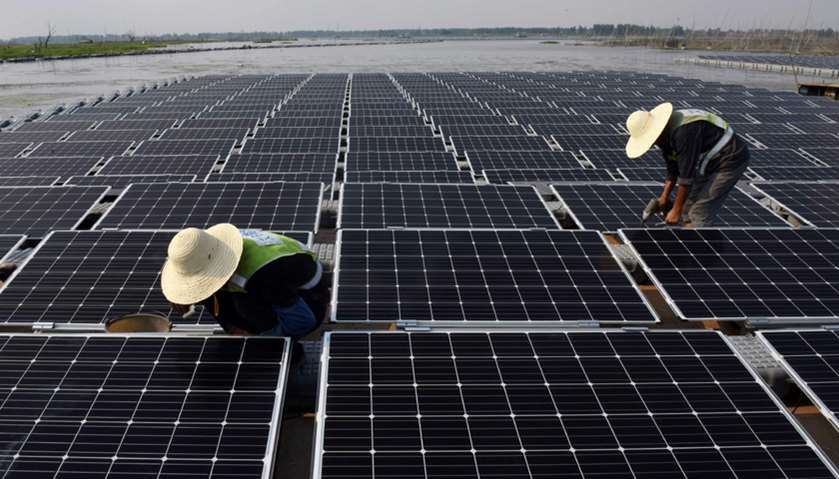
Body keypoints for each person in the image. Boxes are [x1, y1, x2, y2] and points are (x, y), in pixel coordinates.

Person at [160, 224, 330, 339]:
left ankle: (289, 354)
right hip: (282, 276)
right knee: (222, 299)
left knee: (244, 308)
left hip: (310, 298)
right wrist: (187, 295)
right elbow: (206, 278)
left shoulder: (261, 277)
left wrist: (256, 339)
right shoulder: (212, 247)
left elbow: (302, 321)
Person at [625, 102, 750, 227]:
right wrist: (663, 197)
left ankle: (698, 242)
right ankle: (685, 237)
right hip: (710, 160)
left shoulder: (683, 133)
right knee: (686, 208)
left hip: (731, 159)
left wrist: (675, 210)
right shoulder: (666, 134)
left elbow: (686, 176)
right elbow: (673, 169)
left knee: (699, 212)